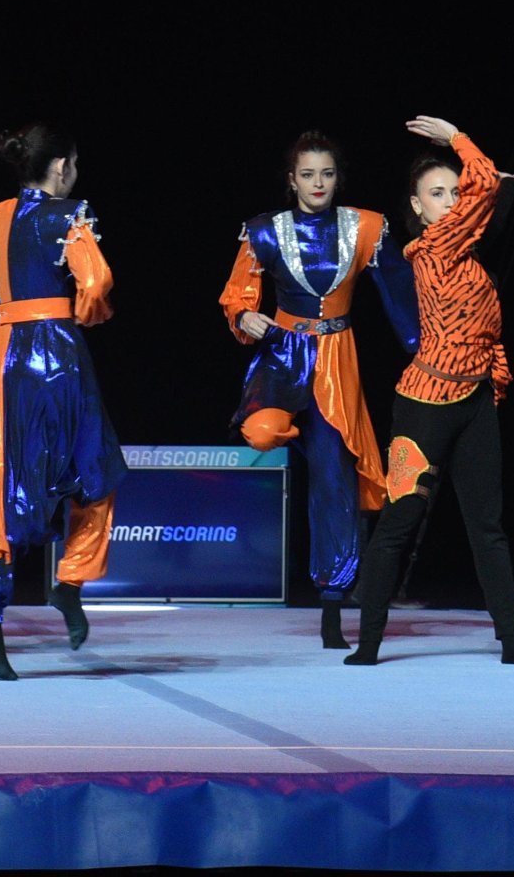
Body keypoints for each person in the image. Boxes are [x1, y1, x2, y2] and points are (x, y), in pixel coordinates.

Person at [343, 115, 514, 667]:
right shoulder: (435, 248)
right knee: (398, 523)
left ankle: (511, 641)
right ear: (417, 207)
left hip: (476, 402)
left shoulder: (468, 255)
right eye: (439, 194)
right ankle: (368, 643)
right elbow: (482, 184)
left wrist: (509, 187)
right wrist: (457, 138)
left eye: (455, 193)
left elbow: (488, 197)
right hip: (424, 408)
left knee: (488, 526)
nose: (453, 201)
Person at [0, 123, 126, 681]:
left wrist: (5, 310)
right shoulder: (70, 215)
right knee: (94, 471)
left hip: (4, 355)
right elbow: (96, 280)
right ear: (61, 167)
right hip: (57, 354)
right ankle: (68, 583)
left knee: (1, 481)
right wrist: (88, 312)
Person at [218, 131, 418, 648]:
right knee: (262, 431)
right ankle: (293, 430)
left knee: (333, 481)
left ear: (338, 178)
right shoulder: (266, 230)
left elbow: (401, 294)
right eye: (307, 175)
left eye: (326, 174)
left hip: (336, 358)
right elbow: (238, 293)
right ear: (292, 181)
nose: (318, 183)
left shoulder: (365, 228)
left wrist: (426, 348)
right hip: (285, 355)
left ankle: (332, 606)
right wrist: (246, 314)